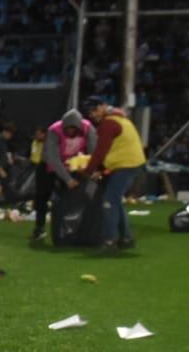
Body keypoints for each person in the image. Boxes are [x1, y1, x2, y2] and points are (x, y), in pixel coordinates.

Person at [79, 97, 146, 253]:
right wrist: (100, 170)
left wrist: (88, 170)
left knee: (109, 202)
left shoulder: (108, 124)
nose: (92, 114)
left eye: (95, 110)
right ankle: (126, 238)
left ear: (103, 106)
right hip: (130, 164)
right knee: (114, 200)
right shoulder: (118, 118)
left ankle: (110, 241)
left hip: (125, 165)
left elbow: (100, 152)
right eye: (90, 112)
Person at [32, 109, 95, 243]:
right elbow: (53, 158)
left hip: (73, 165)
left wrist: (90, 172)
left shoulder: (88, 129)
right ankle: (39, 227)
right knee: (42, 196)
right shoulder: (54, 130)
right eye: (68, 128)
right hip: (49, 166)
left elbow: (93, 152)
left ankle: (73, 229)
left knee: (73, 198)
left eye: (73, 129)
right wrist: (67, 179)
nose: (71, 132)